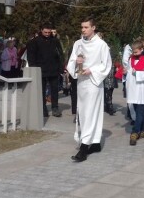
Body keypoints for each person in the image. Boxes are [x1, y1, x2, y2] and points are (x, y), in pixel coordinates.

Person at [67, 17, 112, 162]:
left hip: (93, 82)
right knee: (83, 112)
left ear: (93, 28)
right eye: (82, 27)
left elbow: (106, 64)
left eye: (86, 27)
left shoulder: (101, 45)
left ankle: (84, 147)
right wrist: (76, 62)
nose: (83, 30)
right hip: (81, 83)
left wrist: (91, 70)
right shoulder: (78, 44)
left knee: (91, 112)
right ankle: (96, 143)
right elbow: (72, 61)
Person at [27, 23, 64, 118]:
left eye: (49, 32)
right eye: (45, 32)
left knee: (55, 90)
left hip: (53, 69)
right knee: (41, 91)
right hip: (40, 70)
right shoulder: (34, 42)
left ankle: (55, 107)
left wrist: (61, 67)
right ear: (41, 31)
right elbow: (31, 57)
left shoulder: (55, 41)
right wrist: (34, 69)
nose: (47, 34)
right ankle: (43, 109)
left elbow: (60, 54)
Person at [126, 40, 144, 145]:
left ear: (142, 50)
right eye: (133, 52)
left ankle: (135, 131)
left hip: (142, 89)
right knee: (138, 109)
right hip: (133, 88)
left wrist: (137, 73)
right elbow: (130, 72)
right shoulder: (131, 59)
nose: (134, 54)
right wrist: (127, 73)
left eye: (136, 52)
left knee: (140, 111)